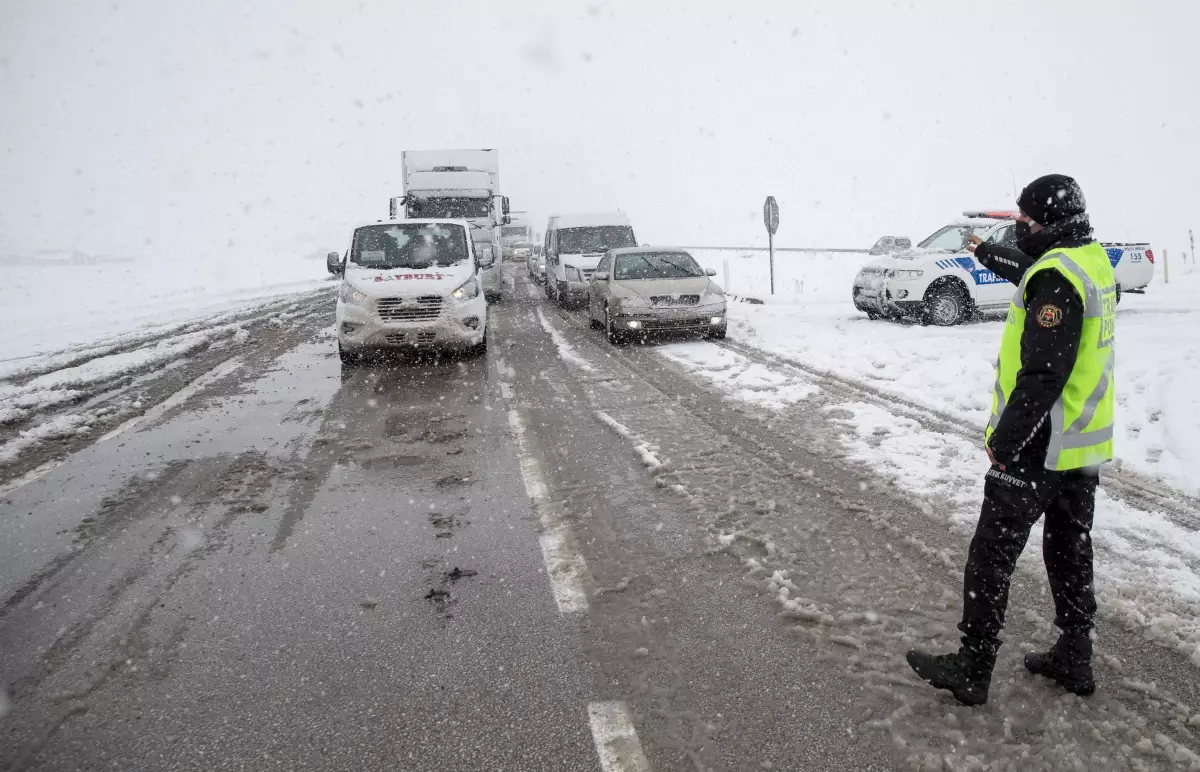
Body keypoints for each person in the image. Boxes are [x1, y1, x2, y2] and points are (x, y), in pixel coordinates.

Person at [905, 174, 1117, 706]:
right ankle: (1075, 654)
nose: (1019, 226)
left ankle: (973, 665)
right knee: (1069, 549)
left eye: (1024, 219)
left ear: (1047, 221)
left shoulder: (1055, 278)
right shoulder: (1086, 260)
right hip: (1080, 447)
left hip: (1038, 443)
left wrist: (1005, 440)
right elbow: (1026, 269)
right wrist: (986, 251)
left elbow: (1044, 373)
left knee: (991, 554)